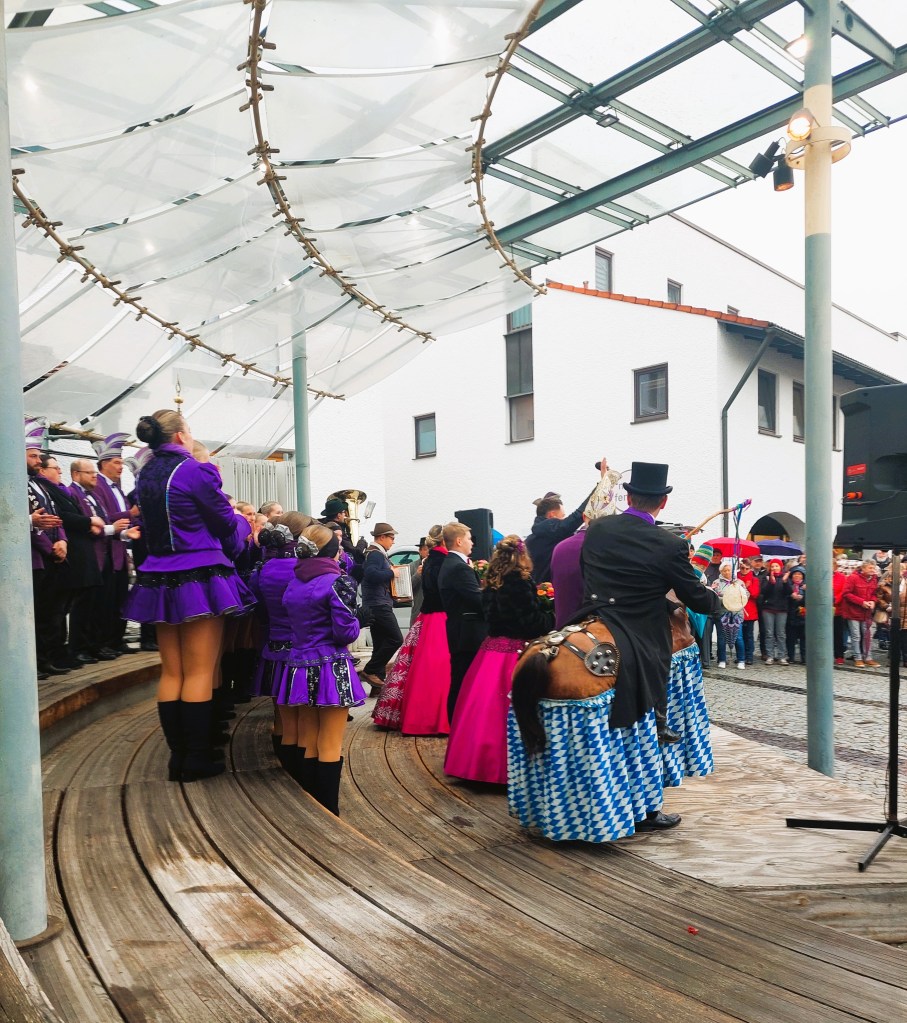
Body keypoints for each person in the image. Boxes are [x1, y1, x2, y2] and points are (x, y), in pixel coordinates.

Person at [577, 461, 721, 831]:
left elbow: (587, 571)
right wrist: (721, 602)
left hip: (591, 620)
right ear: (663, 503)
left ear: (628, 496)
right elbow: (695, 596)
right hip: (640, 633)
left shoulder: (599, 529)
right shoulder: (670, 544)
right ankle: (646, 802)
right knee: (646, 718)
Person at [123, 409, 253, 782]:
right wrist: (243, 524)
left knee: (173, 670)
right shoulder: (195, 470)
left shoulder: (146, 473)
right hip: (199, 574)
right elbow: (225, 525)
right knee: (199, 670)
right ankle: (195, 759)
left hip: (158, 575)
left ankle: (178, 758)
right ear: (180, 436)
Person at [444, 535, 553, 784]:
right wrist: (550, 617)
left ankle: (477, 765)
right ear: (522, 557)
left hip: (491, 651)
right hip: (516, 652)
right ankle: (509, 769)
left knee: (482, 709)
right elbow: (528, 622)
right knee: (515, 709)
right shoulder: (520, 582)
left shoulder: (492, 580)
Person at [282, 523, 368, 814]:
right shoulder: (336, 582)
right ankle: (329, 810)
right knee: (330, 741)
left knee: (308, 737)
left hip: (298, 664)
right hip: (330, 665)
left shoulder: (294, 582)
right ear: (334, 554)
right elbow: (346, 633)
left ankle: (309, 806)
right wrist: (358, 617)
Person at [250, 514, 313, 775]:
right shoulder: (303, 569)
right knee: (303, 718)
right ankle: (298, 774)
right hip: (301, 648)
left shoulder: (263, 567)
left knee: (281, 714)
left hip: (274, 644)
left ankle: (283, 765)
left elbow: (258, 606)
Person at [372, 525, 449, 732]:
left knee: (413, 661)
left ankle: (376, 677)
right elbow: (406, 589)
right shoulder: (416, 564)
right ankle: (374, 674)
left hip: (427, 615)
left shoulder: (435, 562)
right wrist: (419, 574)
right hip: (422, 613)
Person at [91, 432, 136, 654]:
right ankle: (104, 642)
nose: (120, 467)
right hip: (106, 550)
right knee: (106, 600)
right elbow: (103, 516)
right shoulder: (98, 486)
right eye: (117, 462)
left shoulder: (117, 488)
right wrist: (130, 512)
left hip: (119, 548)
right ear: (104, 463)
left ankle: (116, 640)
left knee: (120, 597)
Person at [525, 461, 606, 583]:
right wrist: (601, 486)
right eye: (562, 516)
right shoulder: (551, 530)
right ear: (552, 515)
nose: (565, 520)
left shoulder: (532, 539)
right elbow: (577, 516)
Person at [439, 520, 488, 721]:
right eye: (469, 539)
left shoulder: (453, 564)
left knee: (460, 681)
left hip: (460, 632)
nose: (472, 543)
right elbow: (477, 601)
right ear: (459, 541)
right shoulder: (459, 568)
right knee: (462, 683)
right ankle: (459, 725)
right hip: (467, 635)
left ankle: (458, 725)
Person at [358, 522, 403, 694]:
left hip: (375, 604)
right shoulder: (376, 555)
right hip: (379, 605)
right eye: (391, 538)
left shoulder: (374, 553)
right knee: (395, 639)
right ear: (382, 537)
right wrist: (392, 573)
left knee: (380, 644)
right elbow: (371, 574)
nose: (393, 541)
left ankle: (377, 686)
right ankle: (369, 671)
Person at [841, 560, 882, 668]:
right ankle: (858, 658)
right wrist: (861, 602)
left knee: (867, 635)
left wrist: (873, 601)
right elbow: (846, 593)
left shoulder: (874, 579)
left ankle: (868, 657)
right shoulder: (853, 578)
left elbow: (875, 594)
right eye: (870, 568)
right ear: (863, 568)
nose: (872, 570)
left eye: (873, 568)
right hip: (853, 611)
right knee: (856, 636)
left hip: (866, 612)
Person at [712, 560, 746, 669]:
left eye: (729, 570)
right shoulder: (717, 582)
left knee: (738, 637)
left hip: (736, 613)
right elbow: (715, 596)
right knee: (722, 637)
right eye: (725, 570)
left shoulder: (739, 582)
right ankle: (722, 659)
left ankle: (741, 659)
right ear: (721, 571)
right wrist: (728, 599)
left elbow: (746, 595)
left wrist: (736, 596)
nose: (727, 572)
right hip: (723, 613)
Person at [759, 559, 792, 665]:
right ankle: (770, 656)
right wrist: (771, 582)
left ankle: (782, 656)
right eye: (772, 566)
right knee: (769, 633)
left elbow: (789, 592)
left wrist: (785, 582)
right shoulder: (767, 577)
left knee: (781, 633)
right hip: (768, 608)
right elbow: (763, 591)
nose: (774, 568)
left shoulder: (785, 577)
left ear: (780, 567)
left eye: (776, 566)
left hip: (781, 609)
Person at [319, 497, 367, 569]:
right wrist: (362, 542)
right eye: (344, 512)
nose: (345, 515)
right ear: (339, 515)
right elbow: (354, 552)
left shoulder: (323, 524)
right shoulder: (336, 529)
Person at [736, 558, 761, 666]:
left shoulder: (754, 579)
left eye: (747, 568)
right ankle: (740, 655)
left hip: (749, 611)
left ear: (750, 568)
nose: (744, 570)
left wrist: (748, 587)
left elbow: (755, 594)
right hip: (738, 609)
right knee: (738, 635)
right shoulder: (735, 577)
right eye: (742, 568)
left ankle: (749, 656)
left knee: (749, 635)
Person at [785, 566, 807, 663]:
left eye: (799, 574)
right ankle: (791, 657)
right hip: (791, 615)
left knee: (804, 638)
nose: (797, 576)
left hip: (803, 615)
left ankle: (804, 657)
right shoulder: (789, 586)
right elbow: (784, 597)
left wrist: (804, 595)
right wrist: (791, 595)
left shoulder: (806, 586)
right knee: (790, 638)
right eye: (795, 574)